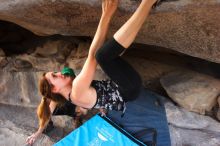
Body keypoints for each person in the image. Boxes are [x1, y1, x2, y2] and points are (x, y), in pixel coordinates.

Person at [26, 0, 162, 145]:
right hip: (129, 88)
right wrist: (106, 15)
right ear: (55, 89)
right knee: (103, 56)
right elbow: (93, 56)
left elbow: (94, 52)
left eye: (55, 72)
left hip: (124, 87)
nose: (59, 73)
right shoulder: (77, 91)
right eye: (54, 76)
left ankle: (147, 5)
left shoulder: (74, 92)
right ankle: (147, 3)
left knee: (104, 55)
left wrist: (107, 15)